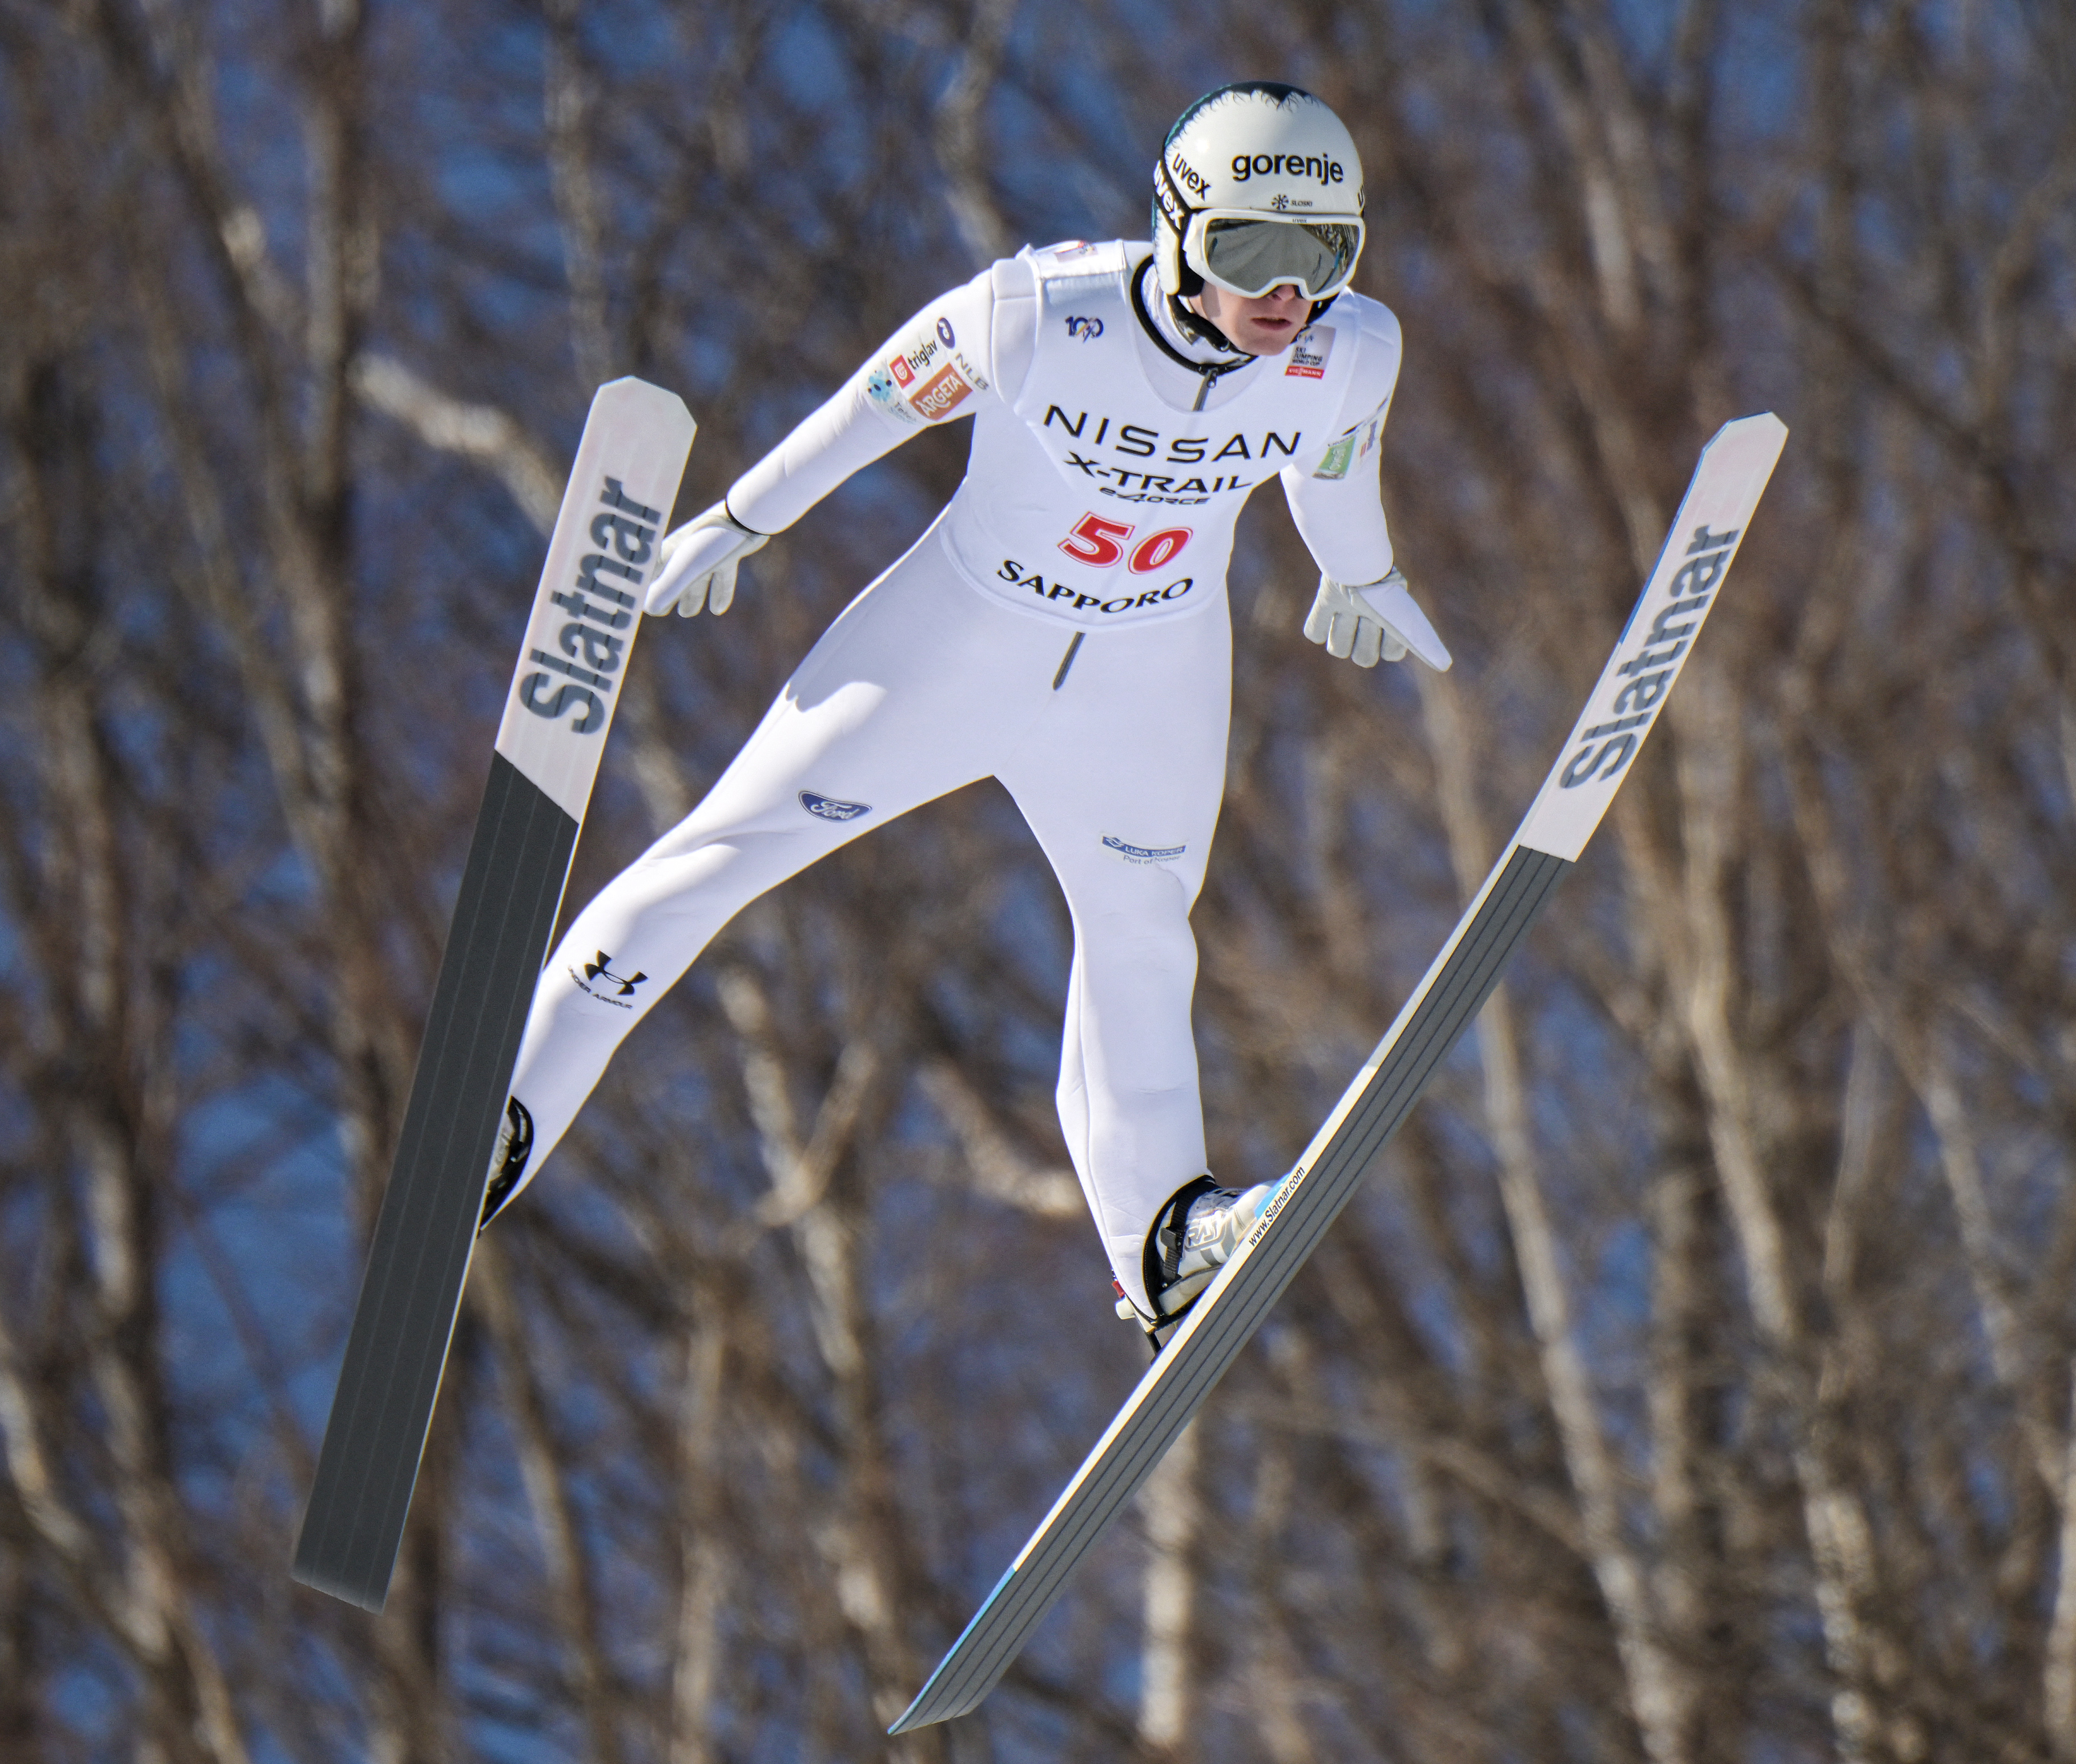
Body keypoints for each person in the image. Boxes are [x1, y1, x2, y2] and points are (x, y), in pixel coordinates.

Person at [478, 81, 1447, 1347]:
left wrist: (1360, 573)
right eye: (1248, 249)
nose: (1286, 292)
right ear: (1175, 227)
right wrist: (740, 522)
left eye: (1321, 254)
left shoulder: (1349, 350)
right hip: (955, 641)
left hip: (1144, 673)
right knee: (726, 852)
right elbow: (870, 410)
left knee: (1143, 933)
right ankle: (503, 1115)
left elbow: (1331, 472)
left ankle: (1163, 1237)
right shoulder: (1040, 312)